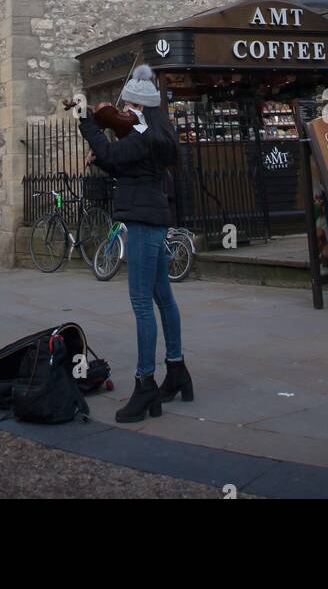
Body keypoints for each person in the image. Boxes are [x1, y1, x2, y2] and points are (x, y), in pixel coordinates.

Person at [77, 65, 191, 422]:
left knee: (142, 303)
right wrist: (105, 160)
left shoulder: (140, 133)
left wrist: (86, 123)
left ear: (137, 105)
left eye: (128, 104)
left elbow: (114, 156)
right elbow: (129, 169)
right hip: (152, 215)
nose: (123, 110)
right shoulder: (154, 132)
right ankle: (176, 370)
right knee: (163, 298)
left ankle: (145, 384)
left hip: (143, 223)